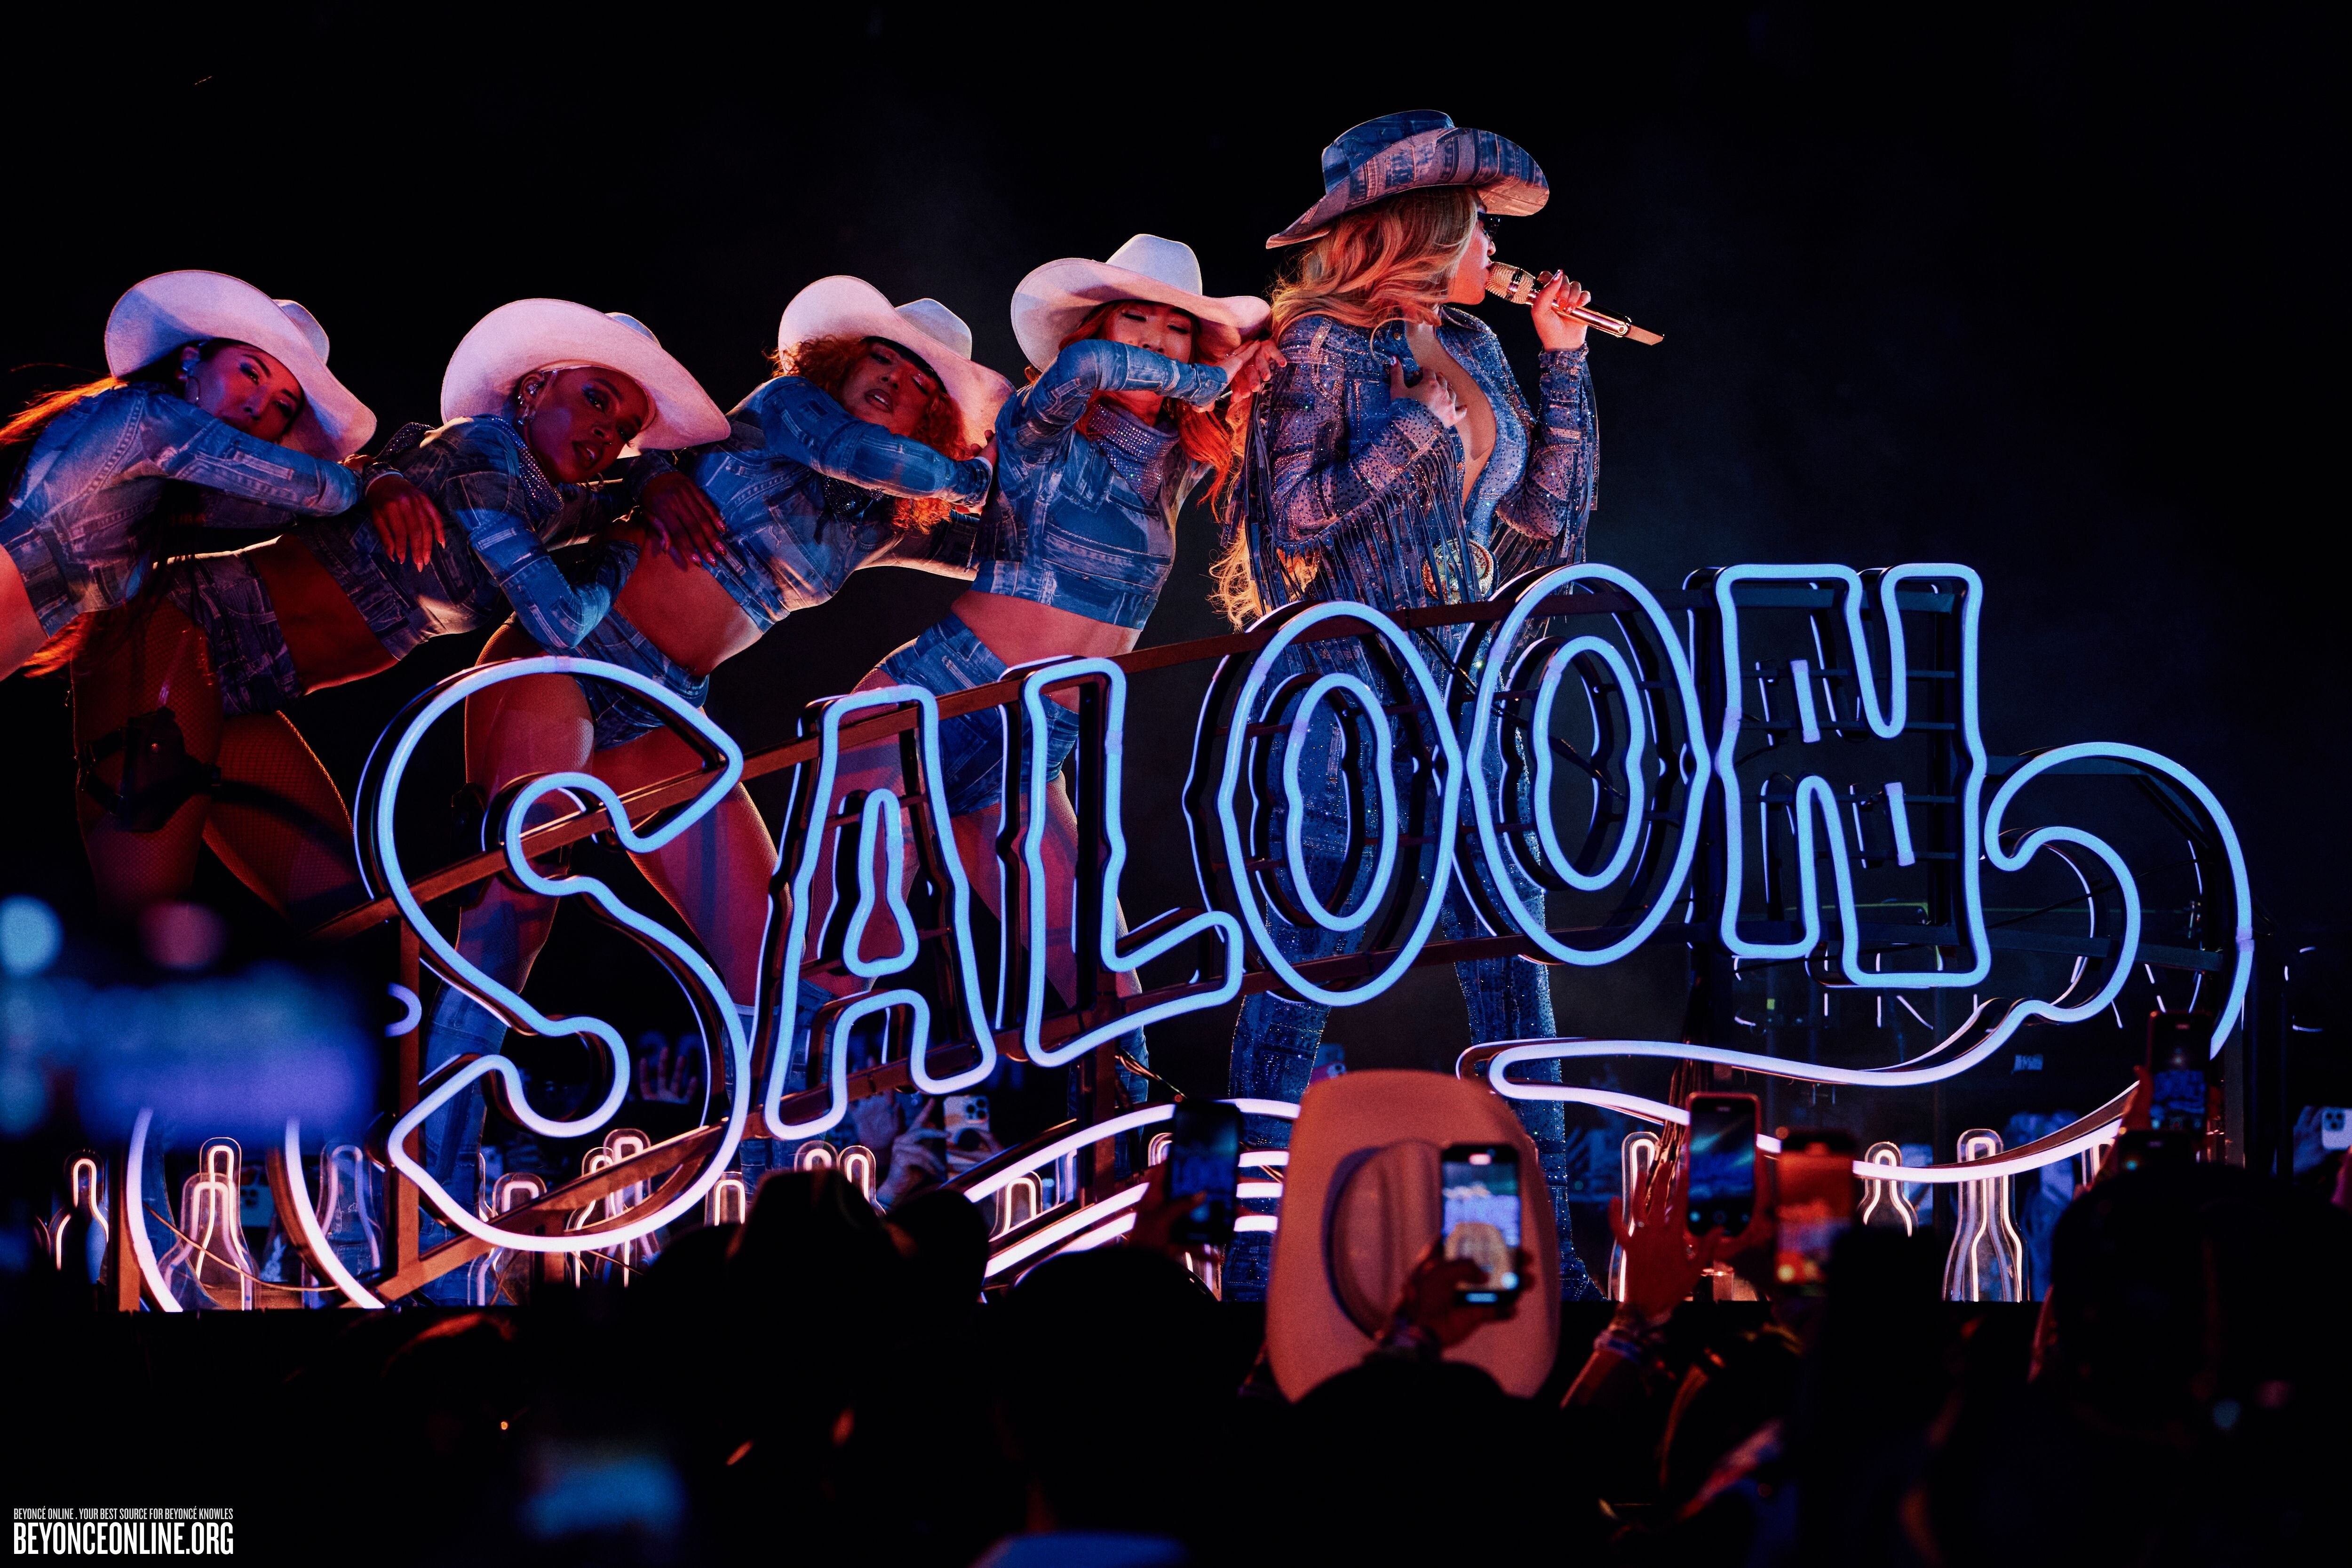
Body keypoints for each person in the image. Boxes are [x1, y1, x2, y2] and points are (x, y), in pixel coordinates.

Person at [424, 280, 1009, 1193]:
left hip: (663, 710)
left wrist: (1070, 483)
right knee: (511, 917)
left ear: (931, 420)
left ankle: (759, 1186)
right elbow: (857, 453)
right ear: (842, 359)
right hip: (568, 655)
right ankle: (433, 1185)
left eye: (920, 388)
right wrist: (971, 477)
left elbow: (1004, 552)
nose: (895, 382)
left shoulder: (874, 519)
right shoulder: (789, 409)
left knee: (767, 963)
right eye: (883, 360)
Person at [1210, 111, 1602, 1298]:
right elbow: (1294, 519)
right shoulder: (1318, 345)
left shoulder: (1475, 343)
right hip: (1346, 696)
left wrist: (1563, 365)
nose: (1495, 247)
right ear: (1427, 229)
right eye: (1478, 225)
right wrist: (1420, 423)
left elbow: (1543, 523)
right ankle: (1248, 1265)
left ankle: (1532, 1258)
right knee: (1301, 976)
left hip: (1466, 688)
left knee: (1512, 973)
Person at [819, 237, 1277, 1156]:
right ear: (1097, 330)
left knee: (1111, 993)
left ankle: (1121, 1195)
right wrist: (1214, 374)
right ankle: (773, 1185)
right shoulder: (1042, 425)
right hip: (925, 710)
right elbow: (1087, 371)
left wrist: (1259, 369)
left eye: (1175, 329)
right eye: (1133, 319)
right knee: (841, 968)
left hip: (1034, 755)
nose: (1152, 341)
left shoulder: (1176, 463)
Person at [64, 298, 725, 929]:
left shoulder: (549, 501)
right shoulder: (484, 454)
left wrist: (654, 478)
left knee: (354, 922)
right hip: (178, 628)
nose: (606, 433)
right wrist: (620, 553)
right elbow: (559, 622)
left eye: (624, 431)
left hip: (247, 694)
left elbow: (616, 497)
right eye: (597, 400)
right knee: (144, 911)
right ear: (532, 389)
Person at [2, 270, 371, 679]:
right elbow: (322, 492)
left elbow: (281, 506)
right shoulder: (150, 420)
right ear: (189, 361)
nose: (257, 407)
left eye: (282, 406)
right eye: (251, 373)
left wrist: (368, 477)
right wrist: (368, 478)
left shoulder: (171, 486)